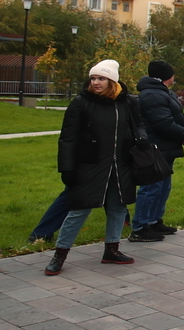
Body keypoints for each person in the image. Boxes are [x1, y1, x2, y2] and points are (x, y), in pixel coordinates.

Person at [43, 60, 142, 276]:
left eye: (101, 78)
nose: (96, 82)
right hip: (90, 165)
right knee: (79, 210)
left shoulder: (125, 103)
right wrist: (67, 168)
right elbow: (68, 138)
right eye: (93, 78)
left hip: (121, 165)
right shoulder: (81, 103)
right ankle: (59, 254)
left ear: (113, 81)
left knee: (118, 208)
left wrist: (141, 140)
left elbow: (138, 125)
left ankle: (112, 250)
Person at [130, 60, 184, 242]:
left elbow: (178, 118)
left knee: (163, 186)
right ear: (168, 76)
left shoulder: (164, 93)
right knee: (151, 187)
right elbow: (163, 123)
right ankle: (140, 227)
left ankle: (154, 220)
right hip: (155, 148)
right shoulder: (153, 95)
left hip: (166, 148)